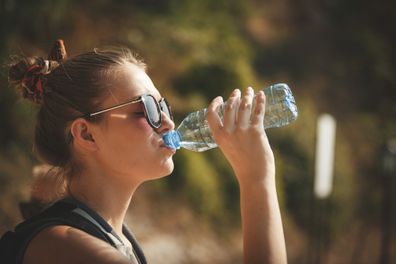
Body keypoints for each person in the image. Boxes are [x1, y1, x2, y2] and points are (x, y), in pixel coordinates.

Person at [3, 40, 287, 264]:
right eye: (148, 109)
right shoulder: (68, 246)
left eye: (163, 107)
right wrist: (256, 179)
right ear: (86, 134)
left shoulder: (115, 239)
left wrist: (257, 177)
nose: (168, 122)